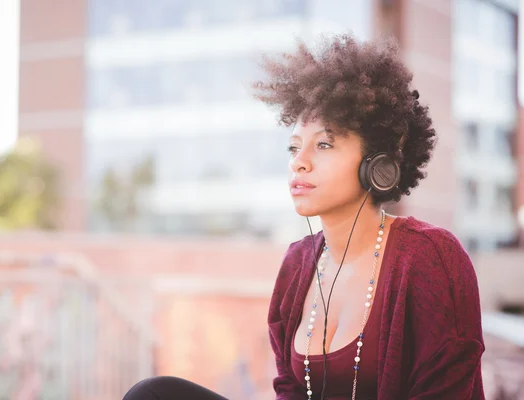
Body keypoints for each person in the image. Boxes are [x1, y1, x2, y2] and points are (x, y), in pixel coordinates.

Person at [123, 33, 485, 400]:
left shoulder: (429, 257)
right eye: (294, 146)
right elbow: (290, 390)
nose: (300, 161)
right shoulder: (297, 264)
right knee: (154, 393)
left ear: (379, 165)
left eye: (324, 144)